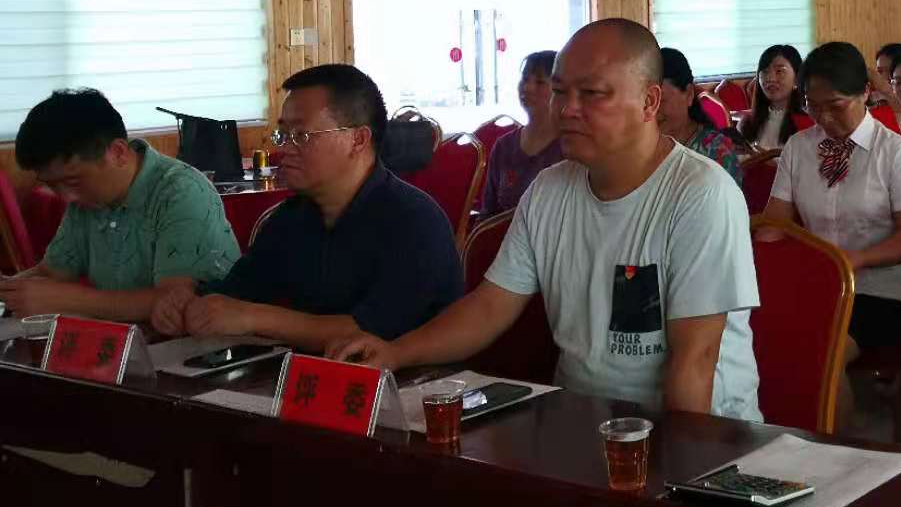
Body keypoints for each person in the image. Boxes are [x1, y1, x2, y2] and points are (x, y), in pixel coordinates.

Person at [330, 20, 761, 420]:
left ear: (650, 102)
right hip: (580, 422)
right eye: (559, 91)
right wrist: (396, 352)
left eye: (591, 94)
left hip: (695, 436)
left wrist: (678, 470)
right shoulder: (550, 189)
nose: (567, 109)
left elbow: (694, 363)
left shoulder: (700, 194)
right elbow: (489, 307)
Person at [150, 65, 463, 350]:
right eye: (283, 134)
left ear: (358, 139)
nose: (284, 148)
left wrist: (253, 317)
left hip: (409, 384)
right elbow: (237, 293)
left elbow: (369, 332)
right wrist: (185, 304)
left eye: (300, 135)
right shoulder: (292, 218)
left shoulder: (413, 222)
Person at [759, 42, 901, 371]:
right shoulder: (799, 147)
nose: (823, 118)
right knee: (765, 339)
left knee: (820, 356)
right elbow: (774, 225)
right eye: (812, 106)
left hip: (880, 294)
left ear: (865, 92)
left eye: (835, 106)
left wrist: (857, 259)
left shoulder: (895, 152)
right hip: (816, 284)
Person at [0, 89, 239, 321]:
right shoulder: (86, 199)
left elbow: (174, 302)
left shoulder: (181, 191)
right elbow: (53, 272)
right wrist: (9, 291)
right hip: (127, 342)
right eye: (52, 185)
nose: (66, 197)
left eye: (73, 182)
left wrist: (64, 298)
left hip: (202, 343)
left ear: (117, 152)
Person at [480, 50, 563, 216]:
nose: (527, 88)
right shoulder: (504, 146)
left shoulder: (571, 147)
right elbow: (488, 213)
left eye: (540, 82)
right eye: (525, 79)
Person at [658, 47, 744, 186]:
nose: (650, 111)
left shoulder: (716, 152)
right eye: (645, 100)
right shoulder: (641, 146)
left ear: (689, 94)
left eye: (661, 100)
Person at [740, 44, 809, 154]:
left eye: (779, 71)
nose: (770, 78)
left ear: (797, 78)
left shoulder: (808, 125)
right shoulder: (746, 122)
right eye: (765, 71)